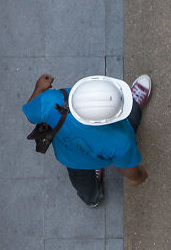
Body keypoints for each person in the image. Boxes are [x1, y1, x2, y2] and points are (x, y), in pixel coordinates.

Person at [23, 73, 152, 207]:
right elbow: (127, 169)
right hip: (102, 152)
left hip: (72, 159)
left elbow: (31, 115)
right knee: (129, 121)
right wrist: (138, 177)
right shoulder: (121, 141)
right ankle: (133, 105)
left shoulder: (51, 101)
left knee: (83, 184)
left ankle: (93, 200)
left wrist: (39, 88)